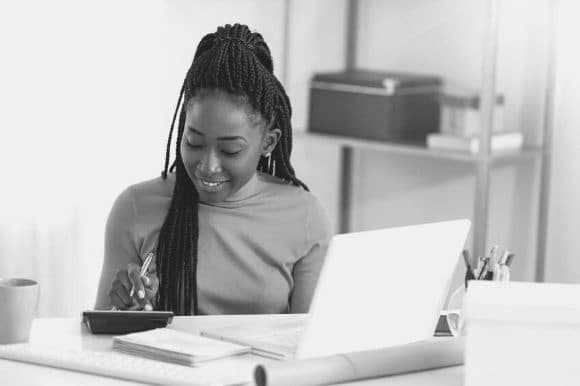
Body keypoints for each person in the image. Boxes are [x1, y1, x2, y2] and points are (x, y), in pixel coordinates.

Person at [94, 23, 331, 315]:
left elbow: (308, 344)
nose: (208, 166)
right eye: (194, 143)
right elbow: (100, 341)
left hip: (264, 364)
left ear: (268, 142)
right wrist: (128, 310)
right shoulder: (135, 208)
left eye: (230, 149)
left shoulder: (305, 218)